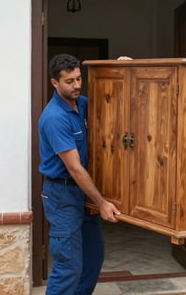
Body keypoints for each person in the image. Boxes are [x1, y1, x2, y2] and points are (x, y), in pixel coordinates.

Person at [39, 53, 121, 295]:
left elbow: (112, 96)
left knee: (93, 259)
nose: (76, 86)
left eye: (78, 79)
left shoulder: (83, 103)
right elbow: (74, 167)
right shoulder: (55, 118)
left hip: (82, 193)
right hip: (62, 194)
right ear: (55, 83)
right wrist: (102, 202)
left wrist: (121, 68)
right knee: (68, 266)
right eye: (69, 81)